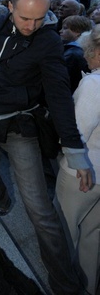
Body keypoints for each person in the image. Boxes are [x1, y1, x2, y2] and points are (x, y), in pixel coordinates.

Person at [0, 0, 91, 295]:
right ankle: (1, 202)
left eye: (40, 18)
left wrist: (75, 152)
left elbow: (59, 94)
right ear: (10, 8)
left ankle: (66, 285)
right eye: (24, 18)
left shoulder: (47, 42)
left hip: (20, 128)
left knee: (40, 211)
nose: (32, 25)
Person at [54, 25, 100, 295]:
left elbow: (76, 132)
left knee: (63, 234)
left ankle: (63, 288)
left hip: (81, 174)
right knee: (93, 236)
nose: (86, 59)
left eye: (89, 53)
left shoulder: (94, 84)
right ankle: (89, 288)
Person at [59, 15, 92, 93]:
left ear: (77, 31)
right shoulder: (81, 50)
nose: (60, 31)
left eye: (65, 28)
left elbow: (62, 80)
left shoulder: (73, 54)